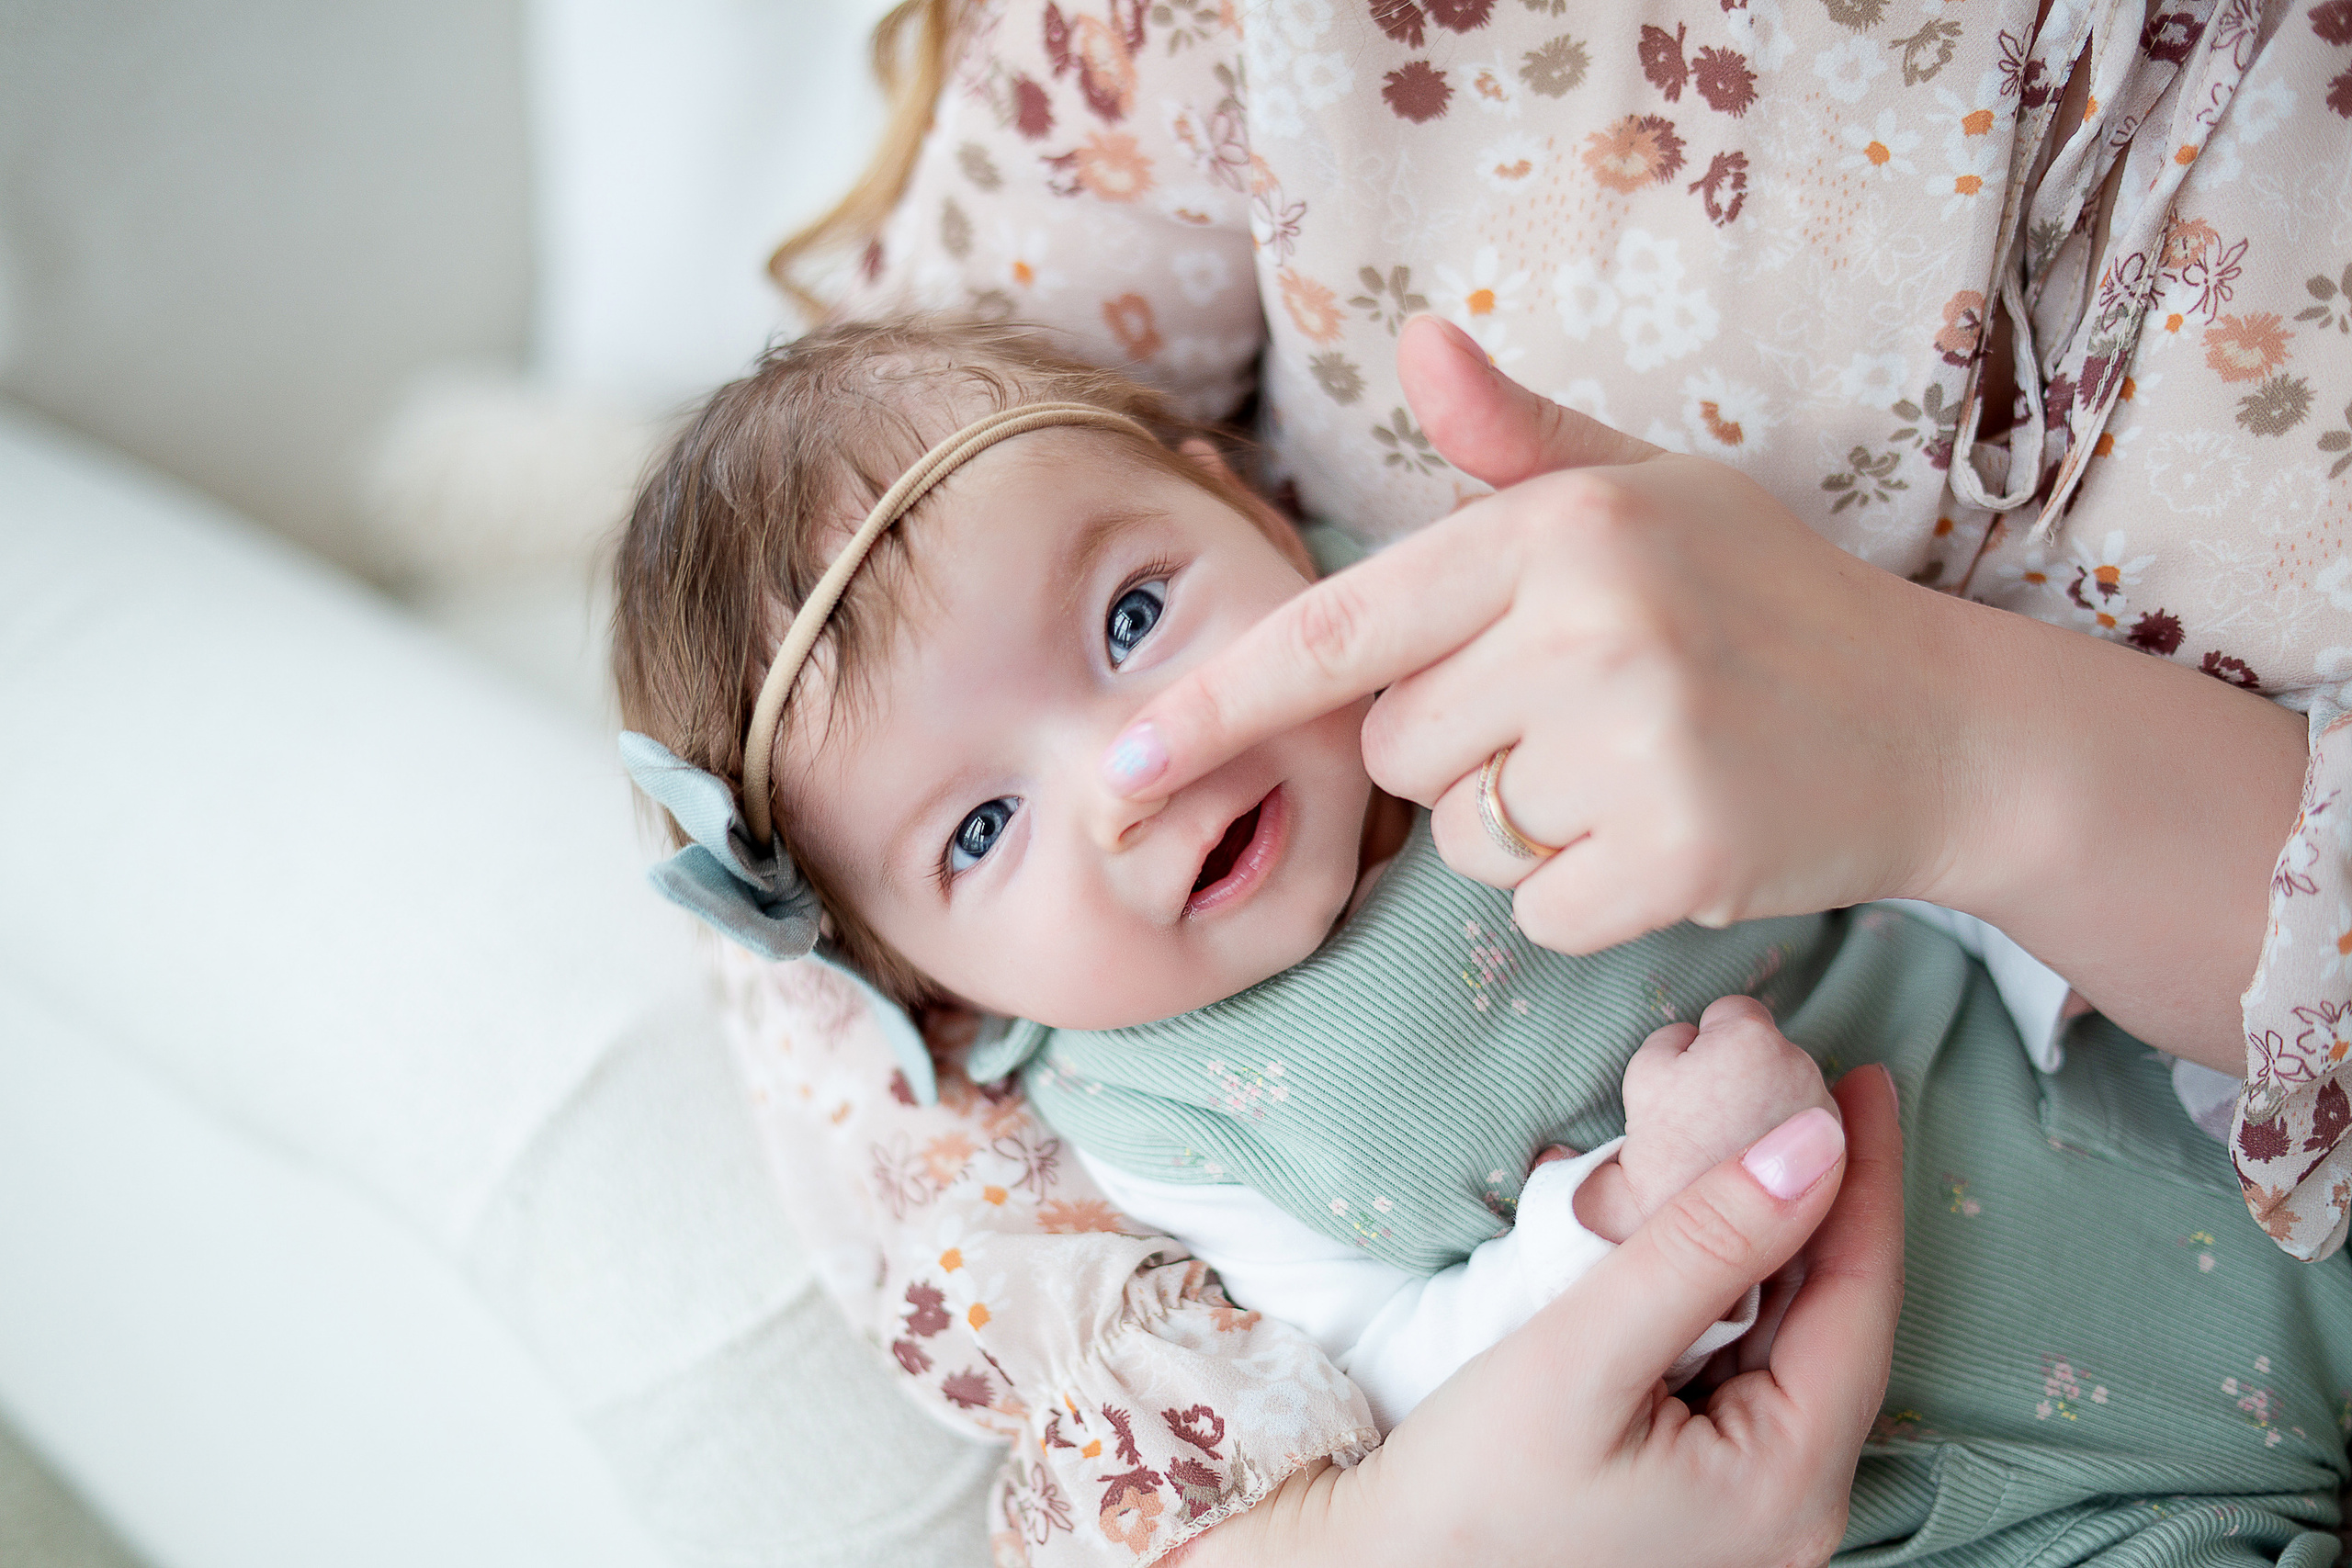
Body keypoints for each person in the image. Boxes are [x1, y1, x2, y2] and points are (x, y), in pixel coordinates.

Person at [713, 0, 2352, 1559]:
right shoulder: (1155, 1123)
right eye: (983, 829)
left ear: (1260, 517)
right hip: (1958, 1513)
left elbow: (1891, 867)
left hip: (2193, 1190)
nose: (1129, 777)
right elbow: (1377, 1383)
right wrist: (1626, 1216)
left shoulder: (1470, 647)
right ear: (918, 977)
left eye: (1137, 616)